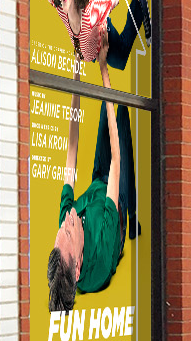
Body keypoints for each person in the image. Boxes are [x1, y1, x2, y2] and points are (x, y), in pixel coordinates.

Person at [45, 64, 129, 314]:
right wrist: (103, 68)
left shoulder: (65, 234)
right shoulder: (100, 257)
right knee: (119, 107)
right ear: (79, 265)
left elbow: (71, 151)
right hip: (115, 197)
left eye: (62, 228)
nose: (68, 218)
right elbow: (116, 162)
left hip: (97, 183)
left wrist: (76, 74)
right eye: (69, 231)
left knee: (110, 106)